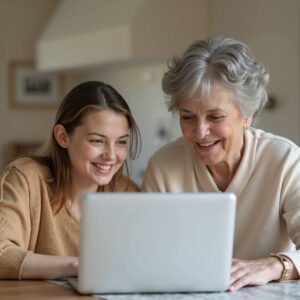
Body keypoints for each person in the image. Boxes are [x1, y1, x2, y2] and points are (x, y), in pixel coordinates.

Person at [142, 37, 300, 291]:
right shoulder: (163, 166)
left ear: (247, 115)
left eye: (215, 116)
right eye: (187, 117)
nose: (200, 132)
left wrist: (273, 266)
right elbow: (146, 254)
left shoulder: (285, 160)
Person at [0, 81, 141, 279]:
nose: (111, 155)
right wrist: (77, 266)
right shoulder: (27, 178)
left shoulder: (127, 192)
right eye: (97, 140)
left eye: (121, 142)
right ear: (63, 137)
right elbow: (2, 253)